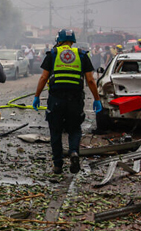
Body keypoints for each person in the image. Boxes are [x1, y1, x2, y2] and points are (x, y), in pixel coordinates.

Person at [33, 29, 100, 174]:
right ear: (73, 41)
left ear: (59, 40)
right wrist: (97, 99)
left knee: (55, 131)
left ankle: (58, 165)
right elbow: (90, 80)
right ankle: (74, 152)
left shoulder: (53, 54)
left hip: (56, 99)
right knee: (74, 129)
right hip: (75, 99)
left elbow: (44, 78)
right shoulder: (82, 55)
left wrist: (37, 96)